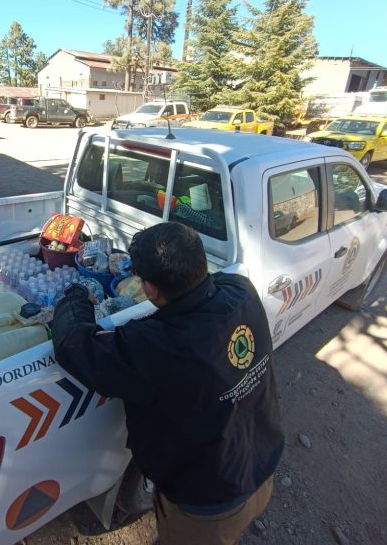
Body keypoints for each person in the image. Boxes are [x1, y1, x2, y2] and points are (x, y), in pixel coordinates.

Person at [51, 222, 283, 545]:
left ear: (150, 290)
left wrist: (75, 296)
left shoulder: (156, 346)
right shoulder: (241, 290)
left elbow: (74, 346)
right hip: (261, 465)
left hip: (210, 506)